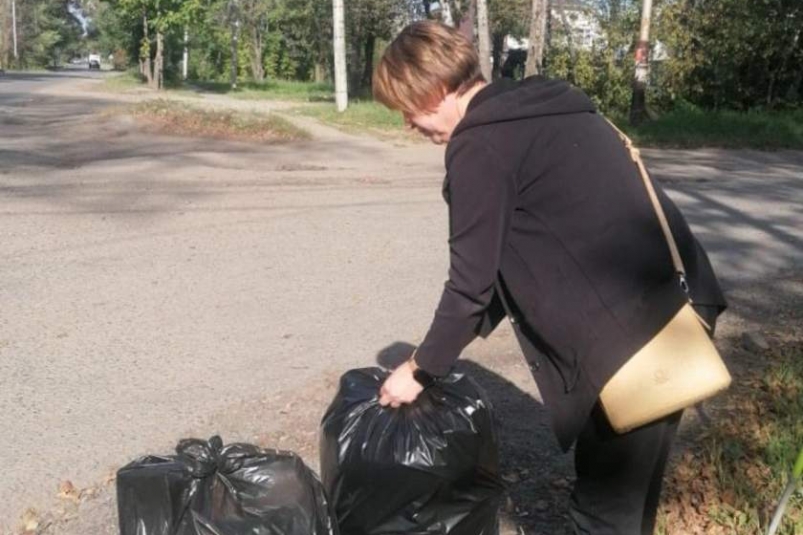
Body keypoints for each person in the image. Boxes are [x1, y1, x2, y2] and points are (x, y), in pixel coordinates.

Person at [373, 21, 727, 535]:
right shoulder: (545, 105)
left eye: (408, 107)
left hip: (632, 342)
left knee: (602, 514)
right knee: (631, 499)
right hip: (678, 308)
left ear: (435, 89)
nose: (409, 123)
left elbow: (470, 285)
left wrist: (421, 369)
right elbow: (502, 269)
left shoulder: (480, 145)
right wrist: (433, 355)